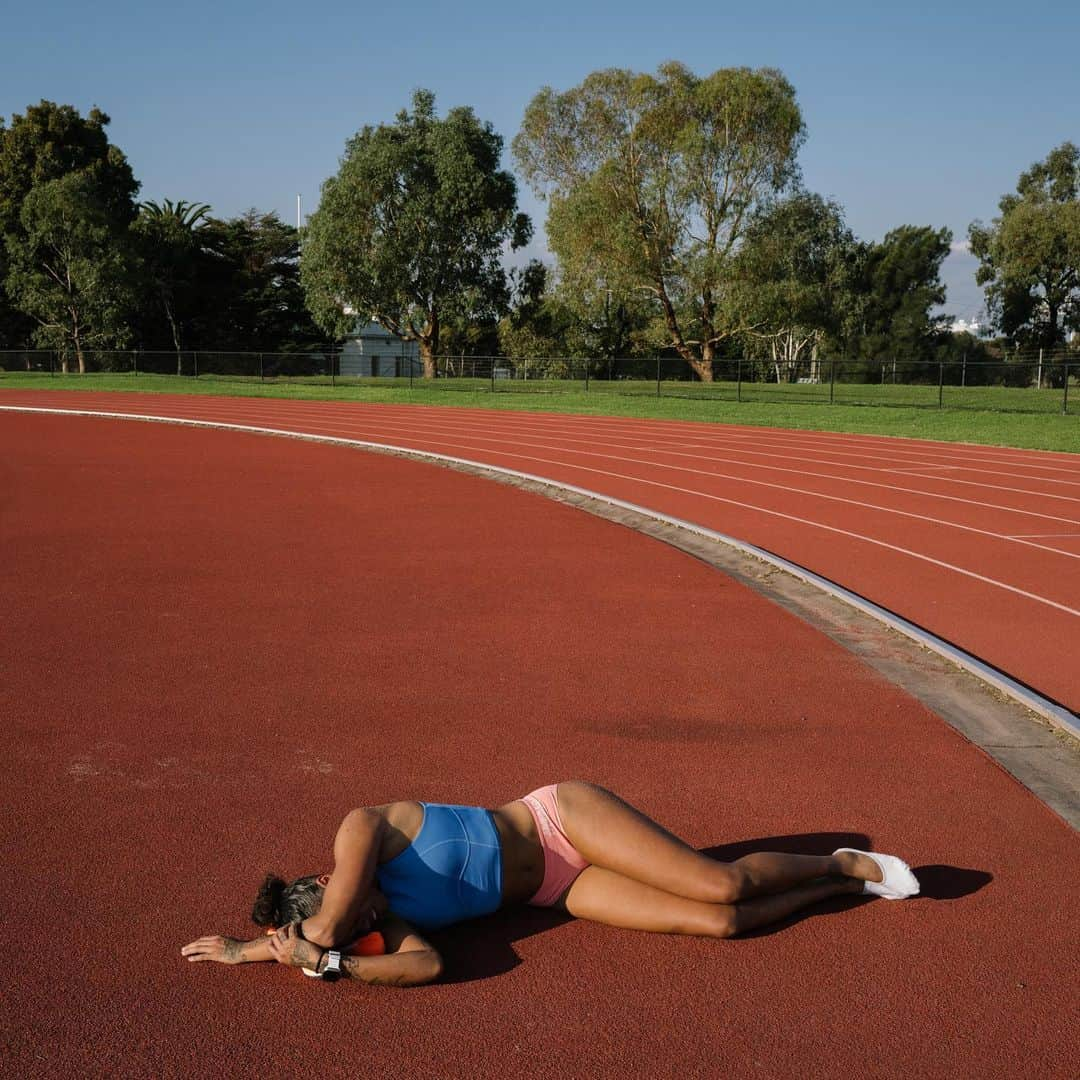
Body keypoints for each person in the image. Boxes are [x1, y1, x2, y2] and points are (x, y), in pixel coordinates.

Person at [181, 781, 919, 987]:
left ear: (328, 884)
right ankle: (842, 892)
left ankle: (838, 861)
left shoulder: (358, 832)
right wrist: (337, 961)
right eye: (367, 921)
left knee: (720, 886)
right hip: (559, 891)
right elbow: (427, 965)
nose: (375, 913)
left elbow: (337, 912)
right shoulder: (377, 922)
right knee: (717, 927)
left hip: (562, 821)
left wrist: (287, 950)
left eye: (359, 912)